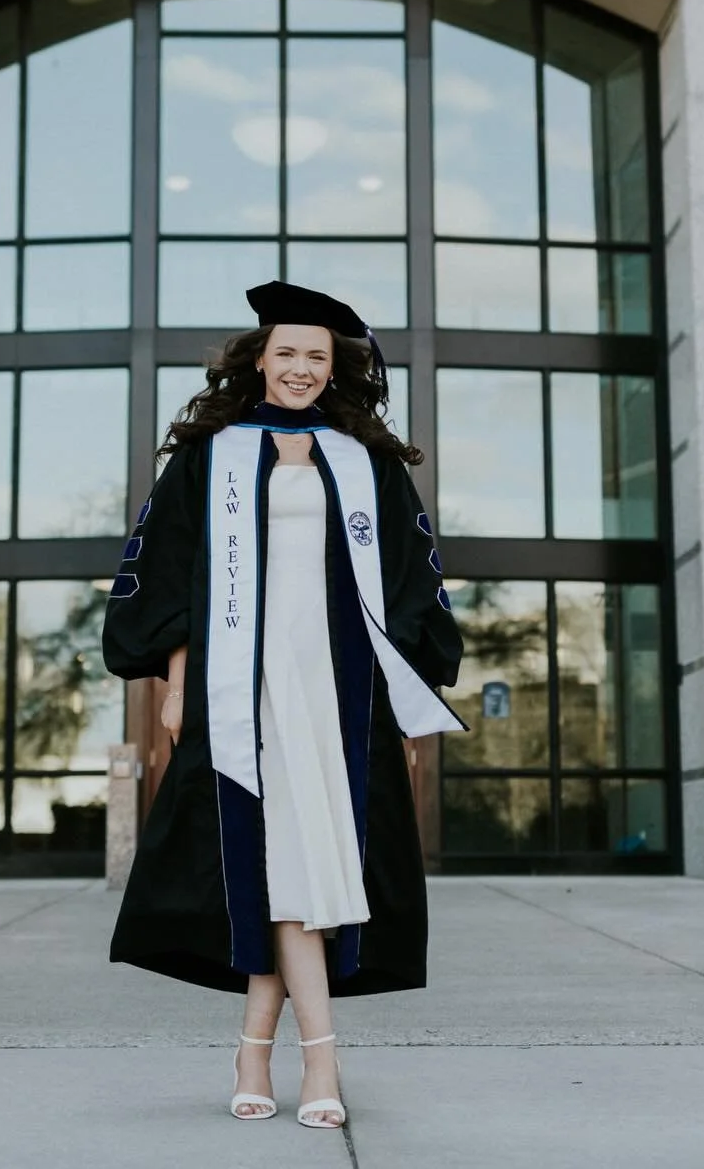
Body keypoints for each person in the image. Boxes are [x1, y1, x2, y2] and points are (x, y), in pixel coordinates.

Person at [102, 280, 466, 1128]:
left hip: (339, 694)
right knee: (281, 874)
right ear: (259, 358)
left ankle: (255, 1051)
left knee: (296, 876)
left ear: (334, 368)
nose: (302, 367)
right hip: (245, 691)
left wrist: (406, 711)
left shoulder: (363, 459)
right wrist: (179, 685)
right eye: (288, 352)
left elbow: (411, 587)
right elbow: (177, 574)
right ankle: (322, 1065)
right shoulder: (211, 455)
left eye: (319, 356)